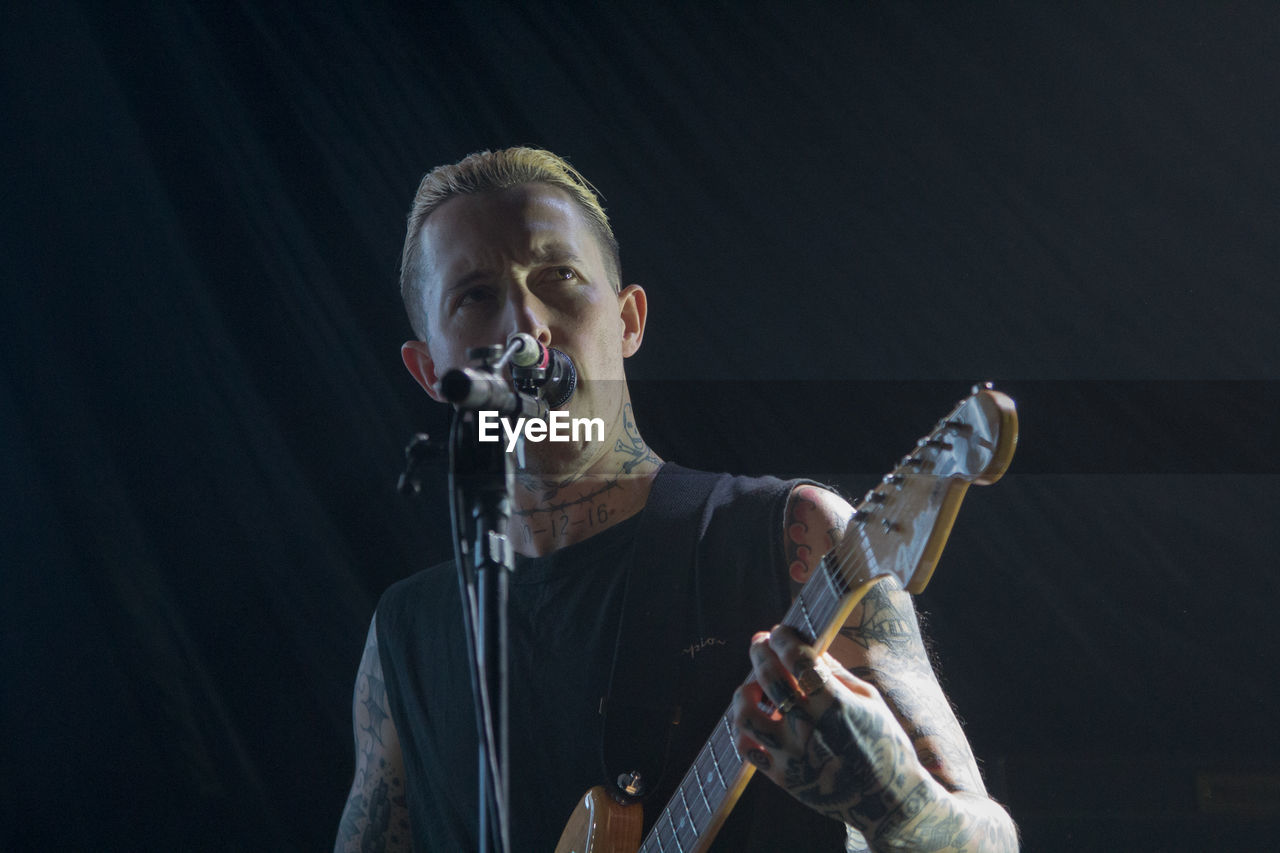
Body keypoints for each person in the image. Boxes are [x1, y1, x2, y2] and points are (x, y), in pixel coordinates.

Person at [335, 147, 1017, 852]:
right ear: (429, 370)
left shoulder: (791, 536)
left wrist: (898, 809)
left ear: (629, 321)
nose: (525, 326)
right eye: (475, 294)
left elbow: (991, 843)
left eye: (558, 277)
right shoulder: (406, 637)